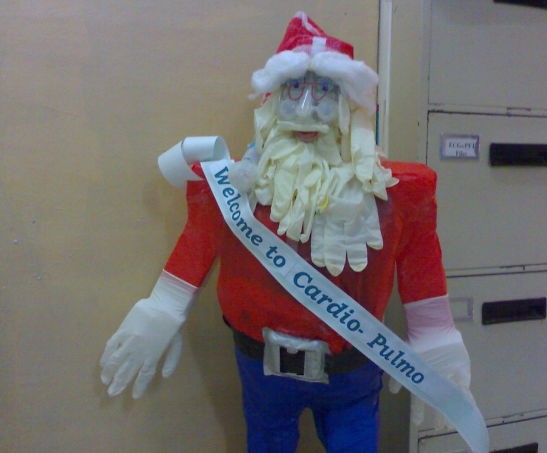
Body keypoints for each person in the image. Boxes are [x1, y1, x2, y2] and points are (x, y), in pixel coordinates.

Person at [100, 12, 474, 453]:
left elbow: (420, 265)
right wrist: (162, 308)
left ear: (349, 106)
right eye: (294, 89)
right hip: (261, 369)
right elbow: (196, 245)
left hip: (353, 372)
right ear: (272, 101)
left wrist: (435, 334)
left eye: (324, 91)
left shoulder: (398, 193)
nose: (305, 109)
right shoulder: (230, 186)